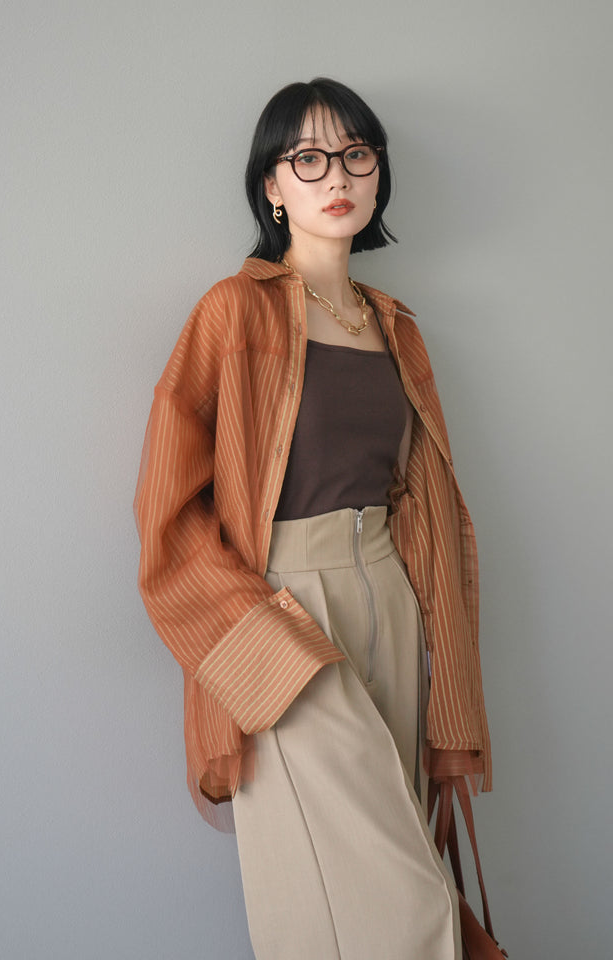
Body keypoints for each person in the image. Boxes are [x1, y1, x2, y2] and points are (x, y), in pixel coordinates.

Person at [134, 77, 493, 960]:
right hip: (284, 608)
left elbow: (425, 509)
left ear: (378, 175)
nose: (337, 175)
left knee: (357, 882)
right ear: (272, 185)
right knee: (403, 893)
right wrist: (252, 634)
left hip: (393, 603)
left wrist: (451, 682)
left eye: (356, 154)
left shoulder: (396, 327)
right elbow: (166, 509)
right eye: (308, 158)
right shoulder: (234, 311)